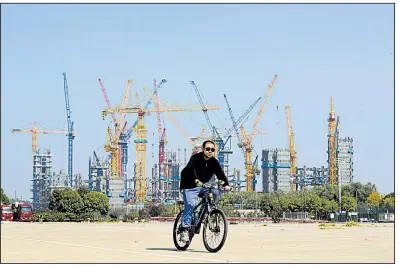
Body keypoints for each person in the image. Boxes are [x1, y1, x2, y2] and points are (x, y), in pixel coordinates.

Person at [179, 140, 231, 243]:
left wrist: (226, 184)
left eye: (212, 149)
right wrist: (196, 180)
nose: (210, 151)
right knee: (190, 204)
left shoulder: (214, 162)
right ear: (203, 149)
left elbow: (220, 173)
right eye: (208, 149)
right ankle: (184, 229)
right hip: (190, 184)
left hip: (203, 185)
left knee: (215, 192)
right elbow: (190, 169)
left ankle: (208, 212)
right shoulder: (195, 158)